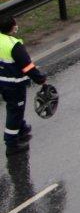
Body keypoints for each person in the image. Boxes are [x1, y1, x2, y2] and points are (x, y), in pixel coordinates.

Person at [0, 14, 47, 156]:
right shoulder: (14, 45)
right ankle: (11, 143)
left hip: (2, 82)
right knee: (15, 111)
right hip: (14, 84)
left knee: (15, 108)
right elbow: (27, 67)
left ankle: (22, 128)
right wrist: (41, 79)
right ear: (11, 28)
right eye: (15, 24)